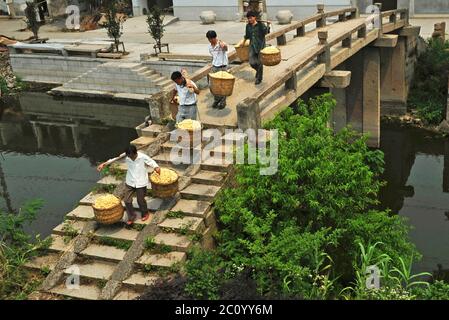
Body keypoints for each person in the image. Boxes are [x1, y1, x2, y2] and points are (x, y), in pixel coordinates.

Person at [97, 144, 161, 226]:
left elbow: (151, 161)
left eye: (131, 156)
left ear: (135, 153)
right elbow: (115, 159)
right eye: (129, 156)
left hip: (141, 182)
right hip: (130, 181)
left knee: (140, 200)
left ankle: (145, 213)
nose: (130, 158)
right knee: (127, 200)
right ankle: (132, 216)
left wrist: (156, 167)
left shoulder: (142, 157)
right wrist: (104, 164)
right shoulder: (126, 156)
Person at [244, 11, 269, 85]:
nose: (249, 20)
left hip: (260, 46)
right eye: (248, 18)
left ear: (254, 17)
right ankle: (258, 71)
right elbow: (247, 35)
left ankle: (259, 78)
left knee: (260, 62)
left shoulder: (260, 24)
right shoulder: (248, 26)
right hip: (252, 46)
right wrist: (243, 42)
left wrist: (268, 25)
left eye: (251, 18)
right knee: (252, 62)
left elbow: (266, 32)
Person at [206, 30, 228, 109]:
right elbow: (213, 56)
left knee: (222, 85)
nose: (211, 41)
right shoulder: (210, 47)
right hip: (214, 67)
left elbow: (225, 48)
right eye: (209, 39)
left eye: (212, 39)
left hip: (222, 67)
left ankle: (223, 101)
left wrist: (223, 46)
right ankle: (217, 99)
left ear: (215, 38)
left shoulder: (221, 44)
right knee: (211, 85)